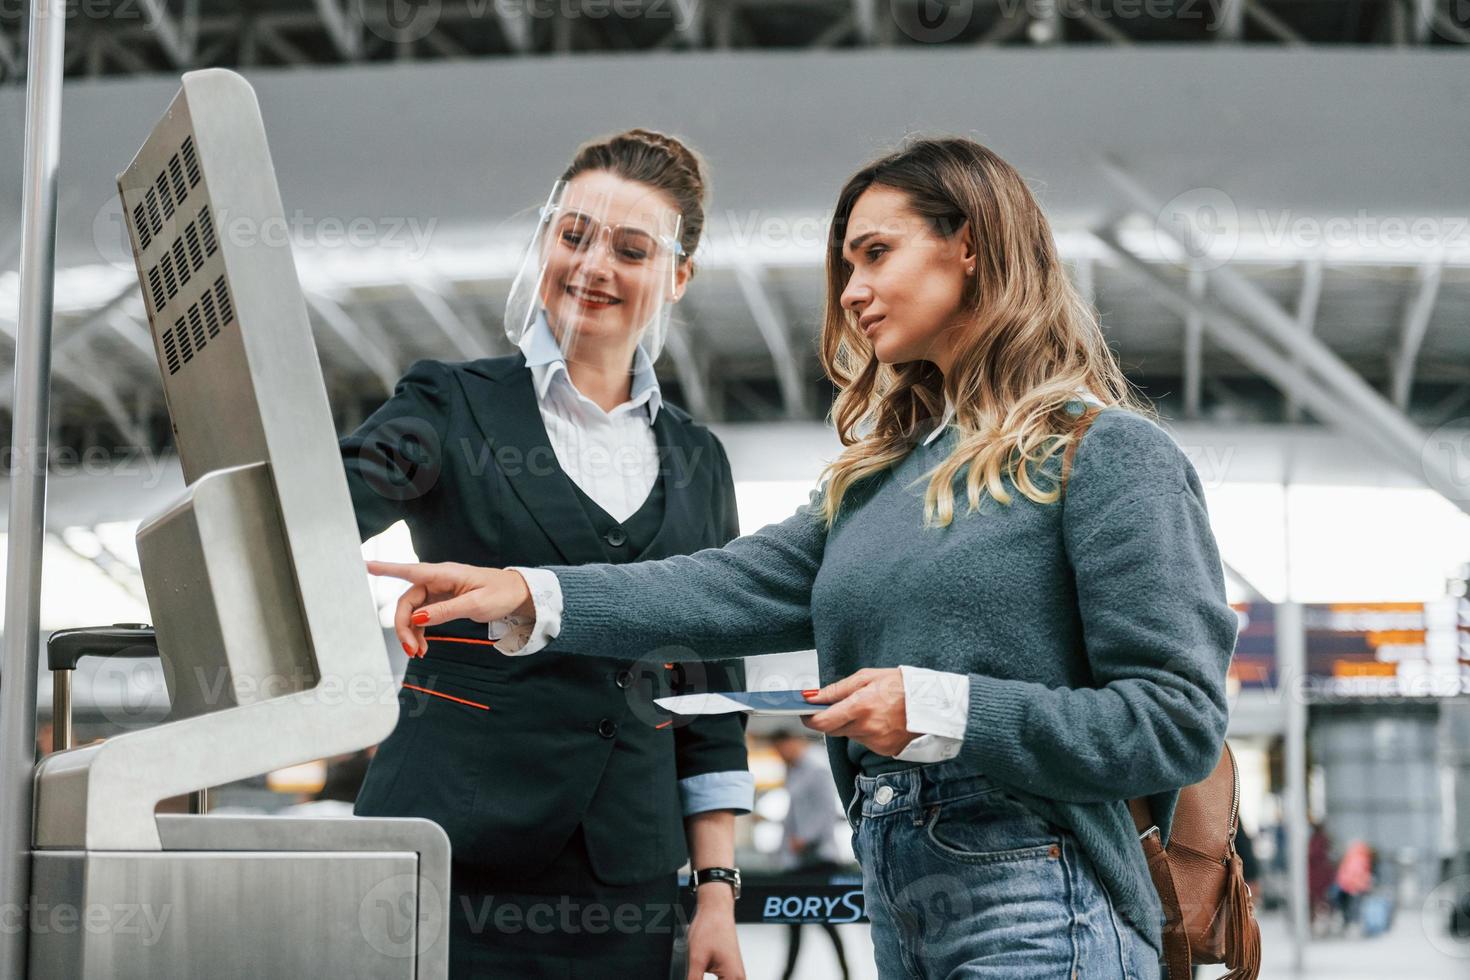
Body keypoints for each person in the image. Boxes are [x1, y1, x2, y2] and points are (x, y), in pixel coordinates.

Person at [368, 137, 1237, 978]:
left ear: (969, 246)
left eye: (875, 255)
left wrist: (941, 706)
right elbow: (716, 588)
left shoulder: (1105, 453)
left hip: (1048, 897)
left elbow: (1175, 721)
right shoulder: (875, 485)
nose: (853, 293)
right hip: (902, 894)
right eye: (845, 269)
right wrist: (526, 591)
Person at [343, 129, 751, 979]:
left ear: (676, 277)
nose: (594, 264)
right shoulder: (450, 403)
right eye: (574, 235)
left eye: (631, 249)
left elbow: (710, 695)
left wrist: (714, 891)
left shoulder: (698, 461)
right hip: (449, 860)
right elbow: (314, 515)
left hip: (625, 884)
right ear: (546, 242)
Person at [772, 730, 850, 980]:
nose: (779, 754)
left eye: (780, 747)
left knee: (826, 920)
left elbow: (827, 810)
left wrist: (804, 839)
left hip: (817, 859)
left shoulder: (816, 767)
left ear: (793, 741)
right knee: (795, 920)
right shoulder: (793, 770)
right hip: (797, 861)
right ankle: (787, 974)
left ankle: (846, 972)